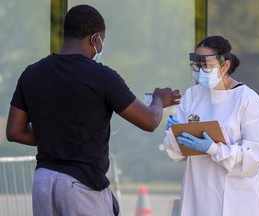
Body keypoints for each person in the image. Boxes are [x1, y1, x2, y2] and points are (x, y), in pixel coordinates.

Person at [5, 4, 181, 216]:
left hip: (43, 181)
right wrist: (159, 100)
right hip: (81, 186)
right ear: (95, 39)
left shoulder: (31, 73)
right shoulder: (102, 77)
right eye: (102, 40)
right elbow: (150, 121)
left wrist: (55, 135)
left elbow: (14, 131)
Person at [164, 35, 259, 216]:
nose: (201, 71)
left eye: (207, 65)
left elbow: (256, 154)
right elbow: (176, 153)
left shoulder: (247, 99)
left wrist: (215, 149)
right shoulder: (192, 96)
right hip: (198, 193)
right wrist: (173, 134)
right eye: (198, 66)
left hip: (237, 197)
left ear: (225, 66)